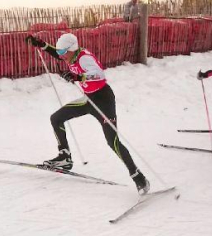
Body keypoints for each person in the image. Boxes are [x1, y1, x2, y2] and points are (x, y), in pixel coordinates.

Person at [25, 33, 150, 195]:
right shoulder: (70, 55)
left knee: (113, 142)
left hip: (103, 100)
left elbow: (99, 74)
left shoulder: (84, 58)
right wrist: (41, 44)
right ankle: (65, 157)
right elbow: (57, 53)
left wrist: (78, 76)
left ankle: (139, 178)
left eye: (64, 52)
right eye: (61, 52)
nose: (61, 55)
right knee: (56, 118)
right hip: (88, 100)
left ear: (72, 49)